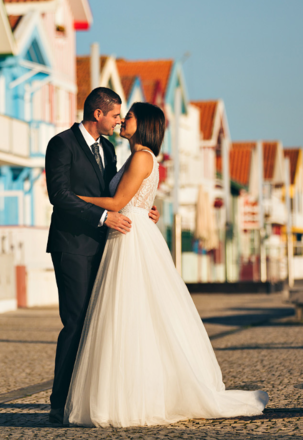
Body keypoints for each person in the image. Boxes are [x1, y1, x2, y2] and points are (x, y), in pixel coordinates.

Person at [64, 102, 268, 427]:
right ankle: (128, 394)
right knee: (132, 316)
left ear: (142, 123)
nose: (122, 121)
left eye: (127, 116)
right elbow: (134, 199)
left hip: (129, 236)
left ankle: (130, 398)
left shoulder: (142, 157)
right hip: (129, 231)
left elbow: (118, 203)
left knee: (128, 316)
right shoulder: (137, 157)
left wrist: (72, 198)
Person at [44, 88, 160, 424]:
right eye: (115, 116)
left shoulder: (109, 149)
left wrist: (142, 209)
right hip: (72, 245)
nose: (119, 121)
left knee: (102, 323)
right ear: (98, 114)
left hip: (108, 245)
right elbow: (59, 195)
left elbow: (118, 191)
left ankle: (92, 397)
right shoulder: (61, 144)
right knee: (76, 322)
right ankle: (60, 401)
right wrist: (102, 216)